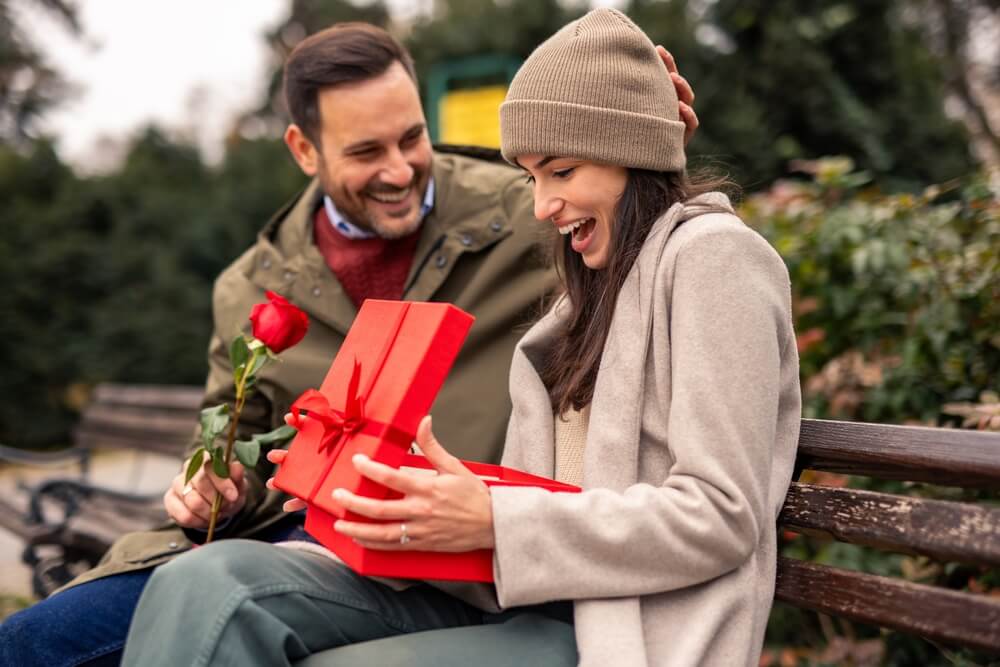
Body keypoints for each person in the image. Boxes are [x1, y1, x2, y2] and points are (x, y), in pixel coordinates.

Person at [0, 20, 699, 667]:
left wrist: (641, 141)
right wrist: (213, 486)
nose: (399, 170)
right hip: (288, 544)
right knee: (30, 641)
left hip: (451, 563)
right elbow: (225, 440)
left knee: (217, 598)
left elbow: (635, 225)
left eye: (411, 138)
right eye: (366, 151)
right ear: (304, 150)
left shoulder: (525, 214)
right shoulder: (251, 285)